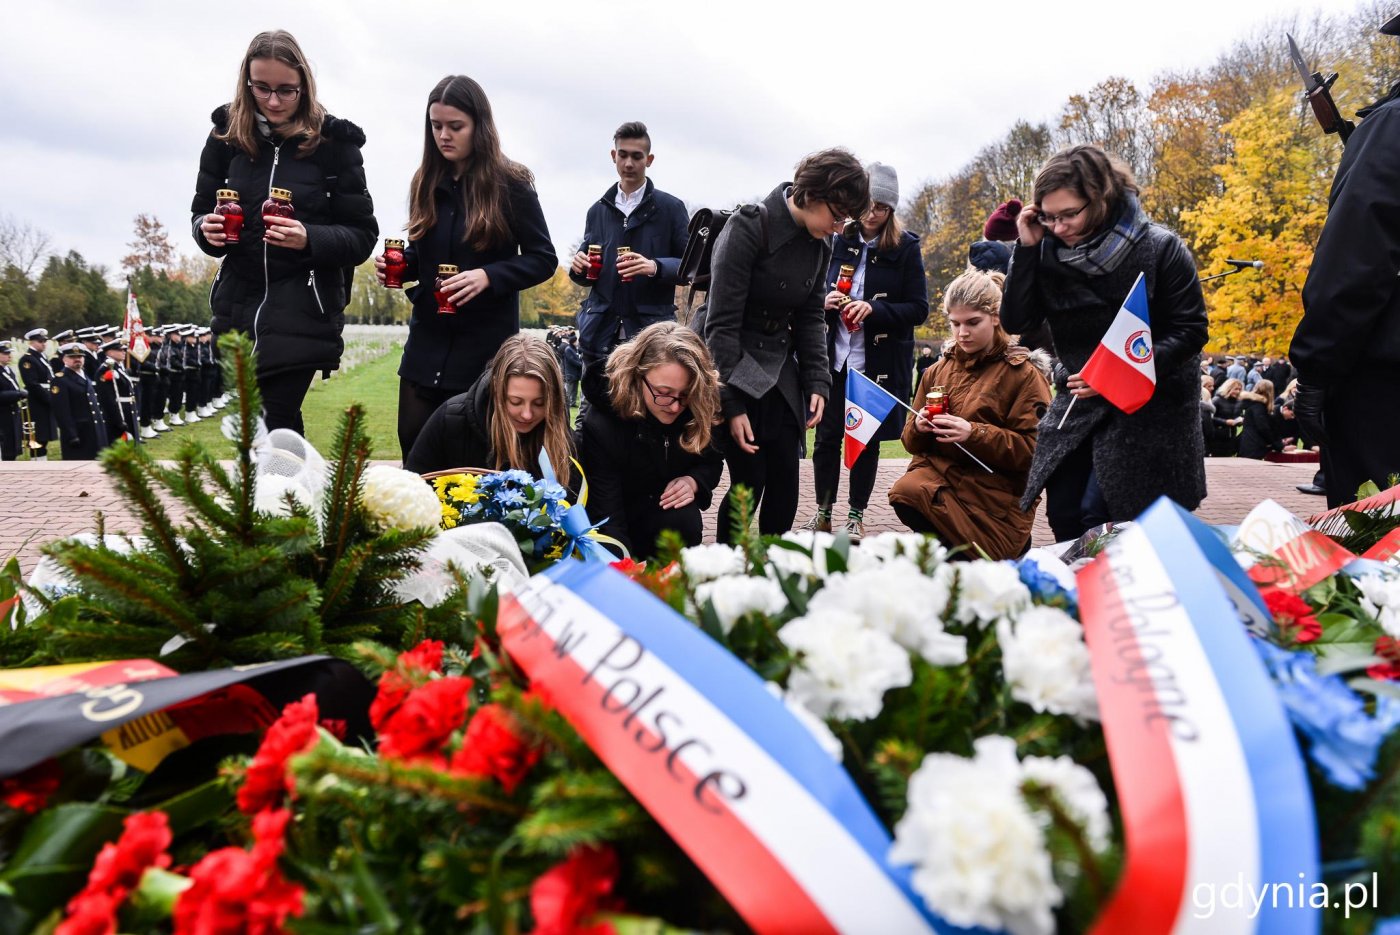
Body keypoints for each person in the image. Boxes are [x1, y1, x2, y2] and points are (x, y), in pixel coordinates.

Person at [1001, 144, 1208, 541]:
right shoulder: (1045, 249)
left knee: (1105, 516)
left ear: (1100, 198)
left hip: (1152, 405)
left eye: (1069, 214)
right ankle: (1081, 593)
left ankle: (1121, 596)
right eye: (1049, 216)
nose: (1058, 227)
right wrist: (1026, 250)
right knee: (1063, 510)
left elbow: (1191, 330)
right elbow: (1018, 320)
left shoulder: (1162, 248)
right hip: (1080, 397)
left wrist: (1118, 374)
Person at [192, 29, 378, 435]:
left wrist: (309, 238)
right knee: (276, 434)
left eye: (286, 91)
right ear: (246, 82)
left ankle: (275, 495)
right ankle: (292, 495)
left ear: (305, 87)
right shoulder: (225, 137)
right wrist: (206, 230)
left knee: (268, 424)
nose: (274, 101)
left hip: (304, 307)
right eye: (262, 88)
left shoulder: (335, 144)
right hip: (238, 307)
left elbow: (362, 236)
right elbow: (200, 213)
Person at [696, 148, 870, 541]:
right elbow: (718, 326)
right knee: (748, 487)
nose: (840, 227)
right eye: (837, 215)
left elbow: (810, 319)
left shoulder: (820, 242)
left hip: (781, 374)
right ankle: (727, 572)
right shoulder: (749, 226)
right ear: (811, 193)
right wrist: (731, 405)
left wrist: (817, 382)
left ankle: (775, 577)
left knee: (786, 491)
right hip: (735, 364)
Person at [381, 75, 556, 461]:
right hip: (426, 346)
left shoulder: (512, 184)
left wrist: (489, 275)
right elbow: (424, 255)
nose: (444, 135)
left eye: (455, 126)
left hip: (484, 350)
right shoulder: (424, 181)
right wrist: (401, 265)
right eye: (436, 125)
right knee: (415, 455)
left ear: (479, 125)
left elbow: (543, 259)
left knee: (477, 463)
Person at [1290, 14, 1400, 507]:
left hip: (1384, 385)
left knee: (1376, 544)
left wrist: (1315, 368)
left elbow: (1357, 260)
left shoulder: (1393, 127)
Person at [801, 163, 928, 539]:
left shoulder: (905, 248)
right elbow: (812, 287)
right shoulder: (836, 238)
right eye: (869, 204)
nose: (873, 213)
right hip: (834, 357)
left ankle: (855, 517)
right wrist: (826, 299)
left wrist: (874, 308)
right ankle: (823, 512)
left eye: (882, 207)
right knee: (826, 438)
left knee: (866, 439)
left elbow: (918, 308)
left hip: (876, 363)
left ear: (891, 211)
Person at [889, 269, 1051, 559]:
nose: (962, 333)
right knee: (908, 493)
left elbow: (1037, 453)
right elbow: (910, 442)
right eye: (955, 323)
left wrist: (973, 433)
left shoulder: (1025, 375)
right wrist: (920, 428)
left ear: (996, 317)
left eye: (973, 323)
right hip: (939, 490)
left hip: (996, 504)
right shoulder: (937, 371)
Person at [577, 321, 725, 558]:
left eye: (685, 395)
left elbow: (711, 460)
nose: (676, 406)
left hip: (666, 519)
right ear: (637, 375)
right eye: (664, 394)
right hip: (617, 514)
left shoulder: (701, 404)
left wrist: (694, 481)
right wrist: (621, 569)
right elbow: (606, 512)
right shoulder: (603, 421)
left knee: (684, 519)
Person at [567, 121, 690, 394]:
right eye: (623, 155)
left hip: (650, 333)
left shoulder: (671, 208)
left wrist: (654, 266)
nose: (629, 163)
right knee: (593, 414)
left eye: (636, 156)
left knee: (645, 411)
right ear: (614, 156)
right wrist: (578, 266)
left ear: (649, 159)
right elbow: (587, 270)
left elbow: (691, 267)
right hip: (600, 333)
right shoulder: (597, 210)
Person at [405, 334, 573, 488]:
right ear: (496, 389)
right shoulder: (451, 419)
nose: (527, 414)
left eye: (539, 403)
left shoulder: (564, 439)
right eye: (515, 402)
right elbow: (412, 487)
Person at [51, 344, 109, 461]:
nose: (77, 359)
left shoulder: (84, 376)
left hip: (94, 430)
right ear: (64, 359)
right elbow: (62, 411)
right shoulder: (60, 380)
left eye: (80, 356)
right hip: (79, 432)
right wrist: (71, 434)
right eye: (72, 357)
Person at [17, 329, 54, 460]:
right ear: (31, 342)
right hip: (37, 401)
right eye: (40, 341)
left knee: (44, 436)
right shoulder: (27, 359)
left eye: (45, 341)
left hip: (45, 397)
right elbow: (32, 384)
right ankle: (37, 462)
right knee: (38, 437)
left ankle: (42, 460)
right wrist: (49, 398)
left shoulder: (42, 357)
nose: (44, 344)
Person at [96, 339, 139, 444]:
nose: (124, 352)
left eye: (124, 350)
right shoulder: (106, 369)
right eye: (120, 350)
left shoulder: (118, 367)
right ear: (110, 352)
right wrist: (118, 420)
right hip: (119, 413)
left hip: (127, 410)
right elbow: (107, 398)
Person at [1237, 379, 1282, 459]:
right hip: (1255, 443)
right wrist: (1276, 444)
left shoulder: (1251, 404)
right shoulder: (1259, 406)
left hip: (1248, 441)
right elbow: (1263, 427)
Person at [0, 342, 27, 461]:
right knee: (5, 448)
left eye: (9, 353)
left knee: (12, 449)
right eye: (5, 353)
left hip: (12, 413)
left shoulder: (8, 370)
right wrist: (17, 394)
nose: (9, 356)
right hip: (3, 414)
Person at [560, 333, 583, 411]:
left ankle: (572, 403)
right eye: (576, 341)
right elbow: (572, 360)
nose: (578, 343)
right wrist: (581, 365)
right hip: (570, 372)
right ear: (573, 341)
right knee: (569, 390)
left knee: (575, 389)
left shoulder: (574, 349)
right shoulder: (568, 349)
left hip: (575, 373)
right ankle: (567, 403)